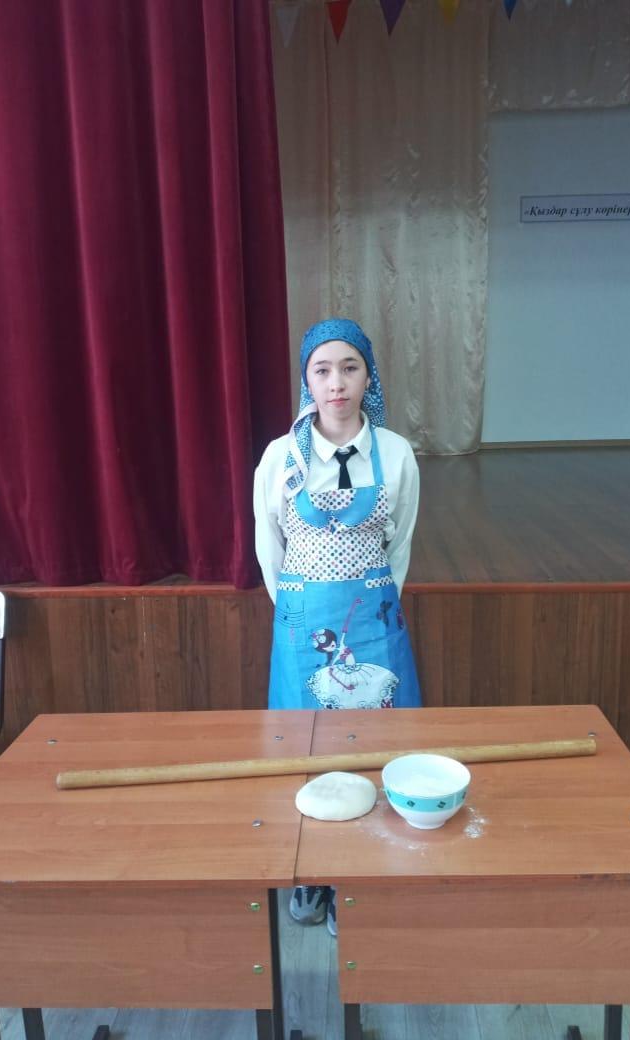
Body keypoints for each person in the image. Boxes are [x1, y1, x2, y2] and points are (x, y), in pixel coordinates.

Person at [253, 317, 422, 935]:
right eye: (322, 370)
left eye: (350, 368)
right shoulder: (279, 458)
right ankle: (315, 871)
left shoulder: (396, 454)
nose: (336, 383)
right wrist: (298, 612)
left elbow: (399, 546)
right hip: (302, 630)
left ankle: (364, 875)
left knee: (378, 745)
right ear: (307, 380)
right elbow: (269, 549)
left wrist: (371, 601)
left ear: (368, 377)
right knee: (308, 748)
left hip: (375, 622)